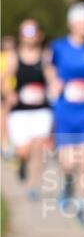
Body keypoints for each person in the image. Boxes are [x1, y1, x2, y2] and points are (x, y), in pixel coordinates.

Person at [51, 3, 84, 223]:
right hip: (65, 111)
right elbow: (50, 71)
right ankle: (67, 183)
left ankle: (81, 206)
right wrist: (53, 85)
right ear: (71, 24)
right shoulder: (58, 47)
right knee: (69, 163)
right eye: (81, 23)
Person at [2, 20, 53, 199]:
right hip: (20, 110)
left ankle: (33, 185)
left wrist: (54, 87)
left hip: (41, 109)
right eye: (26, 33)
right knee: (24, 150)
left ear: (39, 35)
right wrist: (8, 93)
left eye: (33, 33)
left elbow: (52, 77)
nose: (30, 37)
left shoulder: (46, 56)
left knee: (39, 146)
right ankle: (21, 162)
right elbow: (6, 79)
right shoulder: (15, 56)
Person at [1, 34, 17, 158]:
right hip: (6, 91)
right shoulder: (5, 57)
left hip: (12, 90)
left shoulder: (15, 56)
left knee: (8, 118)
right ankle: (5, 144)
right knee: (4, 118)